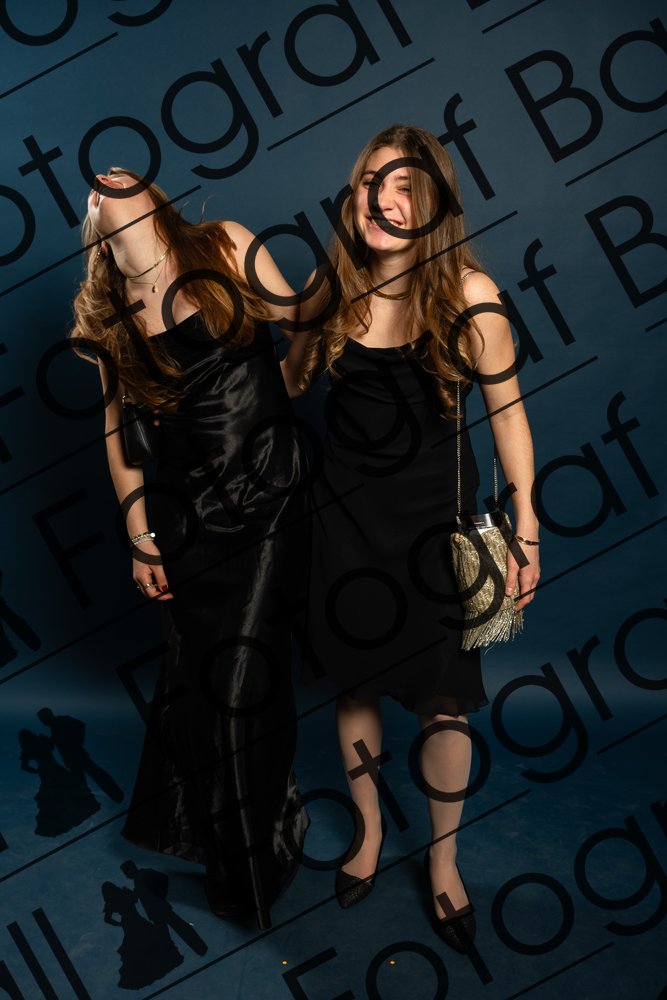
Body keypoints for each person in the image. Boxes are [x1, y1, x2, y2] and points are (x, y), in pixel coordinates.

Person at [281, 124, 540, 952]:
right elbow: (287, 380)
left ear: (434, 206)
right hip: (341, 523)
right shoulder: (333, 285)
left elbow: (508, 417)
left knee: (444, 704)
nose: (382, 201)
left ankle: (442, 859)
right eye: (370, 183)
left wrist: (527, 528)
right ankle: (365, 832)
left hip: (433, 531)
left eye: (404, 188)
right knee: (353, 688)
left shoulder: (468, 293)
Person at [71, 167, 309, 930]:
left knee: (242, 677)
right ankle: (247, 828)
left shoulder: (224, 243)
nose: (111, 177)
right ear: (95, 221)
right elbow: (119, 438)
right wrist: (140, 537)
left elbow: (302, 318)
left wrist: (284, 383)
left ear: (155, 196)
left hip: (268, 496)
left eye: (127, 174)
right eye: (98, 185)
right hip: (186, 517)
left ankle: (256, 864)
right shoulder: (106, 313)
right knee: (203, 688)